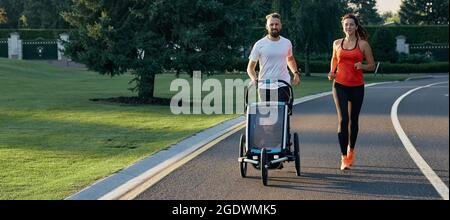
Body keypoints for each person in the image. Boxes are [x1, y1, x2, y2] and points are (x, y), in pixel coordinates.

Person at [328, 14, 375, 170]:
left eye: (351, 24)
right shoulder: (336, 43)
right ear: (343, 26)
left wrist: (362, 66)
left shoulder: (363, 45)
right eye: (346, 24)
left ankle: (351, 150)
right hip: (339, 85)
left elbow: (372, 65)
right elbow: (335, 59)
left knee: (354, 120)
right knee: (343, 120)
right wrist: (332, 71)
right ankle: (343, 157)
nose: (348, 27)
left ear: (356, 27)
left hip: (357, 86)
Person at [247, 12, 301, 104]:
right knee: (267, 115)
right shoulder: (259, 44)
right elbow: (250, 68)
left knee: (282, 114)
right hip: (265, 86)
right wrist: (254, 79)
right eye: (271, 24)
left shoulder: (287, 43)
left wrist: (295, 73)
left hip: (283, 84)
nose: (274, 27)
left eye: (276, 24)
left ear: (280, 26)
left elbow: (290, 59)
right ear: (267, 26)